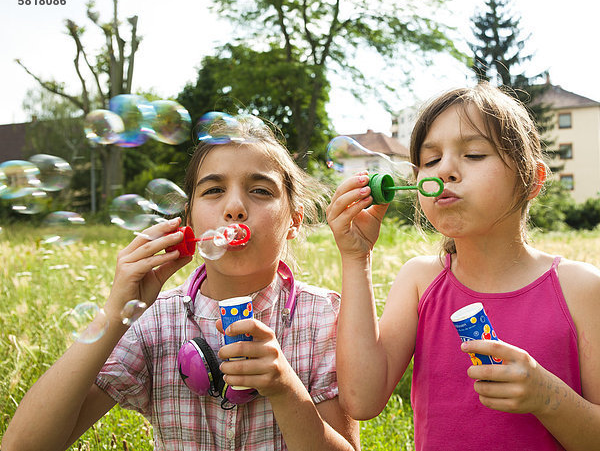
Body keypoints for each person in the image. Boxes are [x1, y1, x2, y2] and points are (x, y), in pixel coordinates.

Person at [4, 116, 359, 451]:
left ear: (294, 221)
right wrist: (115, 315)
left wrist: (285, 389)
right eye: (214, 190)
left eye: (261, 191)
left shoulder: (323, 318)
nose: (234, 207)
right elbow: (24, 445)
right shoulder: (153, 322)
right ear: (188, 220)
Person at [327, 82, 600, 450]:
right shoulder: (420, 280)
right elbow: (362, 399)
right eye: (431, 160)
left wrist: (545, 395)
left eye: (473, 154)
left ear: (531, 180)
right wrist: (356, 258)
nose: (446, 171)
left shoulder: (582, 289)